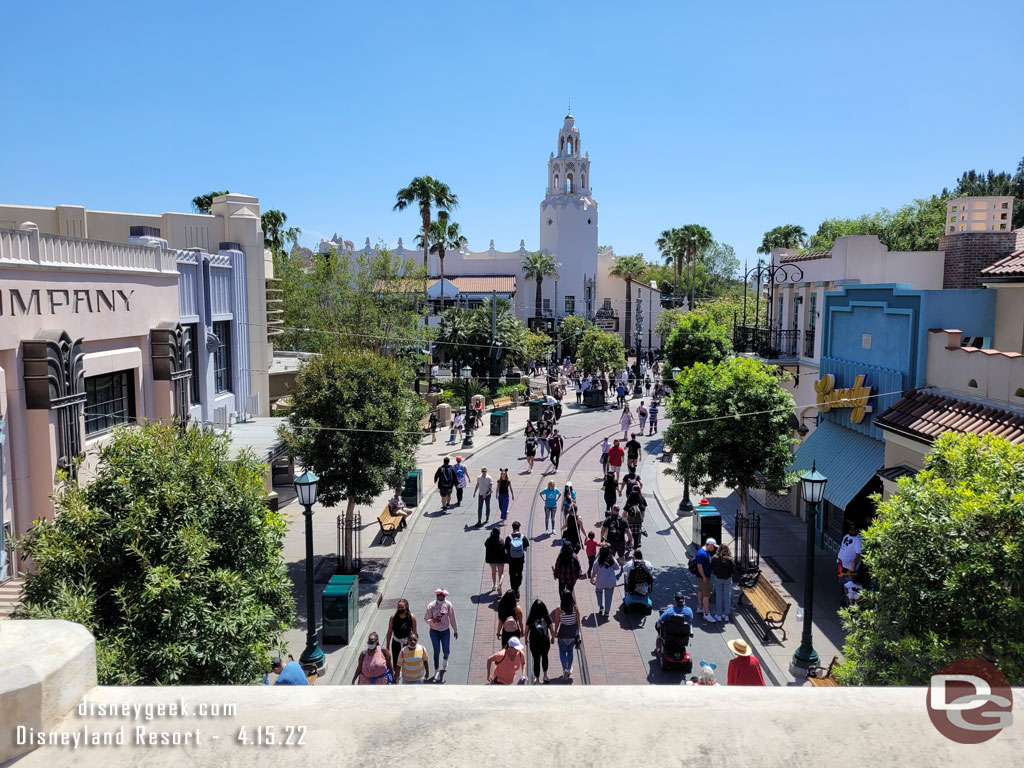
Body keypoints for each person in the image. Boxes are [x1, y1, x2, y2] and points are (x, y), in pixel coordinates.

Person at [424, 588, 459, 683]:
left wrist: (455, 630)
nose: (440, 600)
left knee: (446, 650)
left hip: (445, 631)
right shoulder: (431, 606)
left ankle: (445, 659)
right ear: (436, 597)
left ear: (444, 597)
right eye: (438, 598)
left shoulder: (448, 605)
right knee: (436, 651)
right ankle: (436, 672)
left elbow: (452, 618)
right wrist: (432, 621)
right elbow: (426, 618)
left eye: (442, 599)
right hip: (434, 631)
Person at [552, 589, 580, 681]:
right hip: (572, 633)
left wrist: (555, 632)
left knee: (562, 652)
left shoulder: (559, 609)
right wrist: (577, 631)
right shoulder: (575, 608)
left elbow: (557, 622)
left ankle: (565, 669)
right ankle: (569, 667)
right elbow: (578, 620)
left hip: (563, 633)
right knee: (570, 651)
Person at [525, 598, 555, 683]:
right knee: (545, 657)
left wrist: (526, 639)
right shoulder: (546, 616)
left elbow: (526, 630)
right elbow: (551, 629)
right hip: (544, 641)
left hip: (534, 642)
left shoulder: (531, 617)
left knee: (536, 660)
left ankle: (537, 678)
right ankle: (545, 675)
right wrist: (552, 638)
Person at [385, 598, 417, 679]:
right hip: (396, 643)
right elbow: (389, 632)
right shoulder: (393, 617)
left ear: (406, 607)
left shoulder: (411, 617)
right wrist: (387, 646)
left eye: (402, 608)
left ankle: (408, 676)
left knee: (407, 661)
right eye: (398, 607)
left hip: (407, 643)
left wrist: (414, 645)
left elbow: (415, 632)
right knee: (396, 662)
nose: (400, 609)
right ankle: (397, 677)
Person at [590, 544, 618, 618]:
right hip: (610, 581)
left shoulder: (598, 561)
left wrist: (592, 578)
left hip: (600, 581)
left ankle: (601, 606)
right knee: (609, 596)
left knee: (598, 592)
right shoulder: (612, 559)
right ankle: (607, 612)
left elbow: (594, 571)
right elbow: (617, 567)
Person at [504, 521, 530, 599]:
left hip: (511, 560)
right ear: (519, 527)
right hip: (520, 560)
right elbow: (525, 549)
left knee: (512, 575)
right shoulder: (523, 537)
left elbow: (506, 550)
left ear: (512, 528)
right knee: (519, 574)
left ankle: (514, 590)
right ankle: (517, 587)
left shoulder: (508, 538)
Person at [710, 543, 735, 622]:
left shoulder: (715, 558)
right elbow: (734, 571)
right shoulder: (731, 559)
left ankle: (719, 615)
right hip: (727, 579)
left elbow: (711, 567)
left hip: (718, 578)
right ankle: (726, 615)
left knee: (719, 596)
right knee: (727, 596)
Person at [695, 537, 716, 621]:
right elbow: (699, 566)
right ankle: (707, 614)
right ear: (710, 545)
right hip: (703, 577)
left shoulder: (704, 552)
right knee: (706, 595)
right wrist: (704, 577)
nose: (714, 548)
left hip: (702, 577)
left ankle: (700, 608)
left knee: (701, 591)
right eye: (713, 546)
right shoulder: (702, 554)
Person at [484, 527, 507, 593]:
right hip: (499, 560)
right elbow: (503, 550)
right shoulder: (501, 541)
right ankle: (500, 585)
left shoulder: (489, 540)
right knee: (501, 573)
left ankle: (494, 585)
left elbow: (485, 545)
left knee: (493, 572)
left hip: (491, 560)